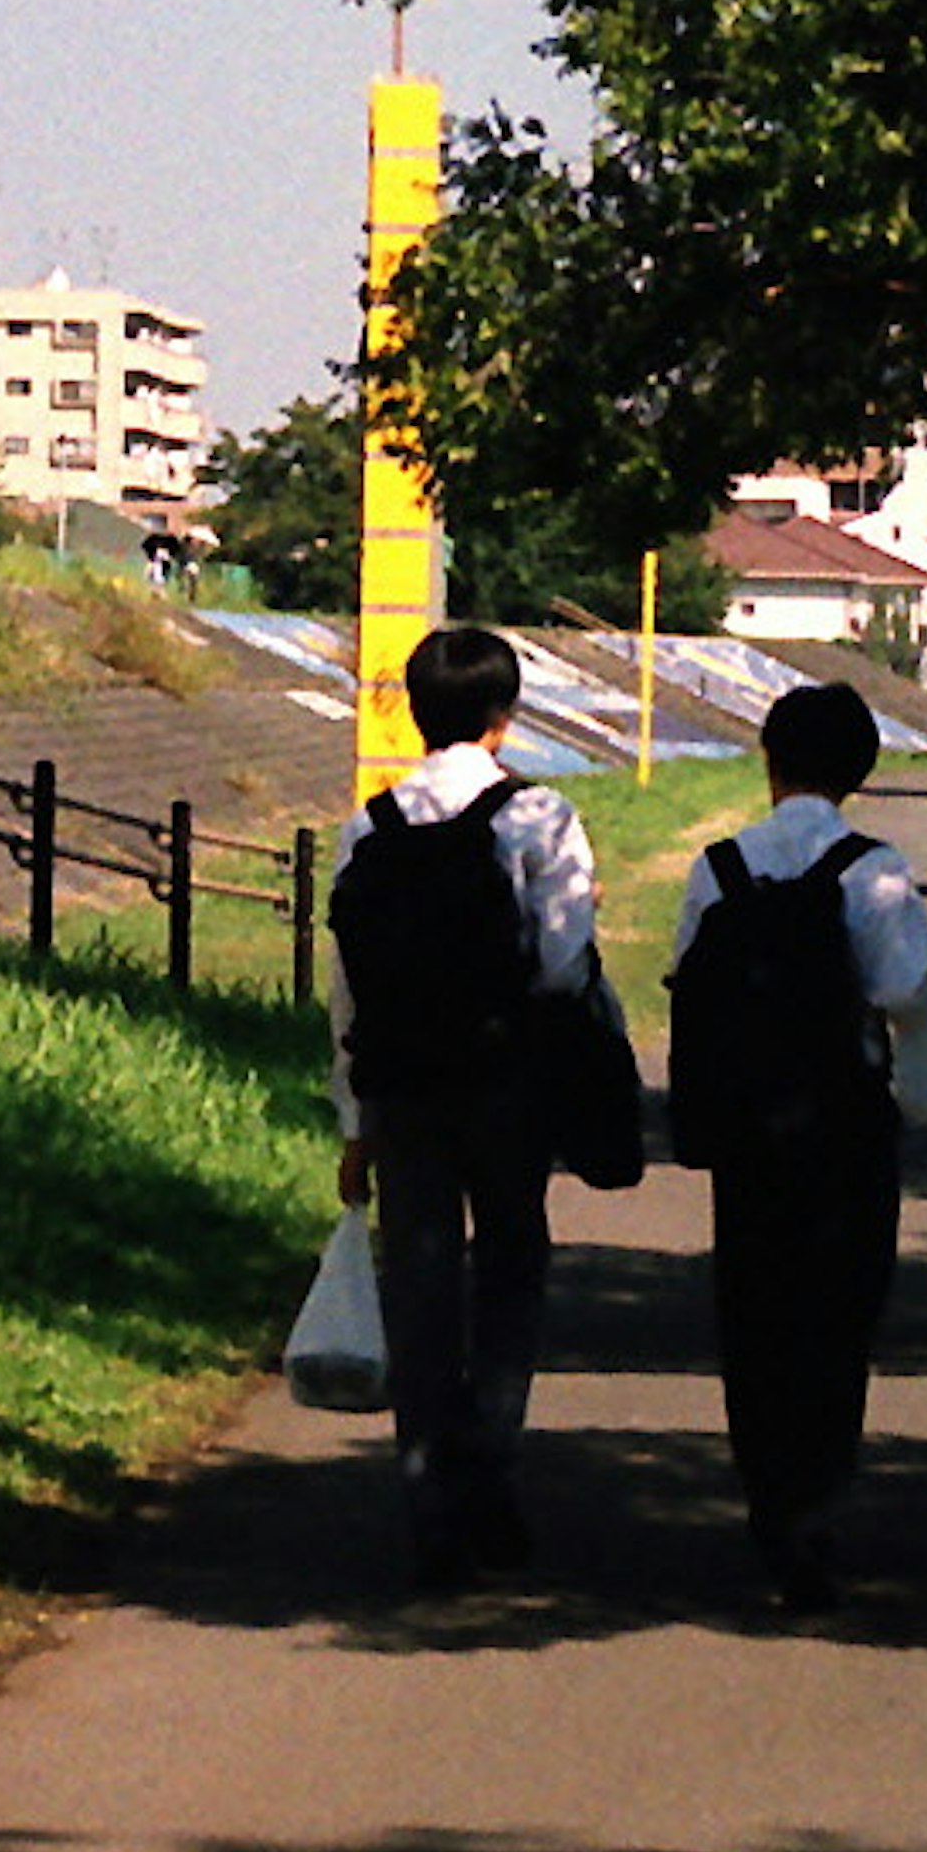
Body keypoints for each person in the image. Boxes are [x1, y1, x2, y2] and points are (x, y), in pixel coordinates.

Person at [666, 676, 927, 1613]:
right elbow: (909, 992)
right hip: (844, 1123)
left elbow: (687, 981)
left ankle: (767, 1498)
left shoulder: (719, 866)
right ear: (861, 772)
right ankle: (819, 1499)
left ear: (769, 759)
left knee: (752, 1311)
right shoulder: (874, 868)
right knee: (838, 1315)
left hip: (749, 1125)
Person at [326, 620, 601, 1585]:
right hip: (501, 1081)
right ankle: (491, 1460)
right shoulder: (540, 818)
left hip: (400, 1088)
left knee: (421, 1282)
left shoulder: (372, 826)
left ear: (412, 713)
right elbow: (565, 967)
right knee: (512, 1265)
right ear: (503, 715)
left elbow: (347, 992)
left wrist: (352, 1124)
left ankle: (426, 1493)